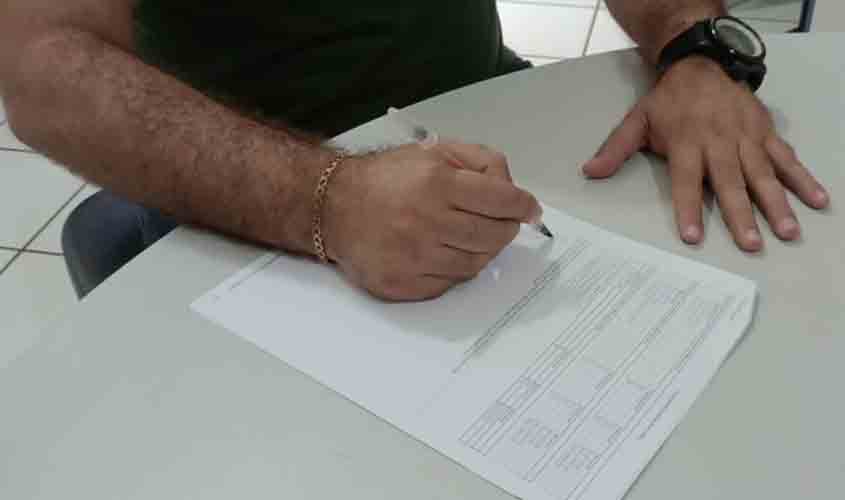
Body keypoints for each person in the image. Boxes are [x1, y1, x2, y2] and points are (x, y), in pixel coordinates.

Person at [0, 1, 829, 300]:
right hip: (252, 187)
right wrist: (325, 197)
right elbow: (40, 65)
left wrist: (690, 45)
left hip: (482, 110)